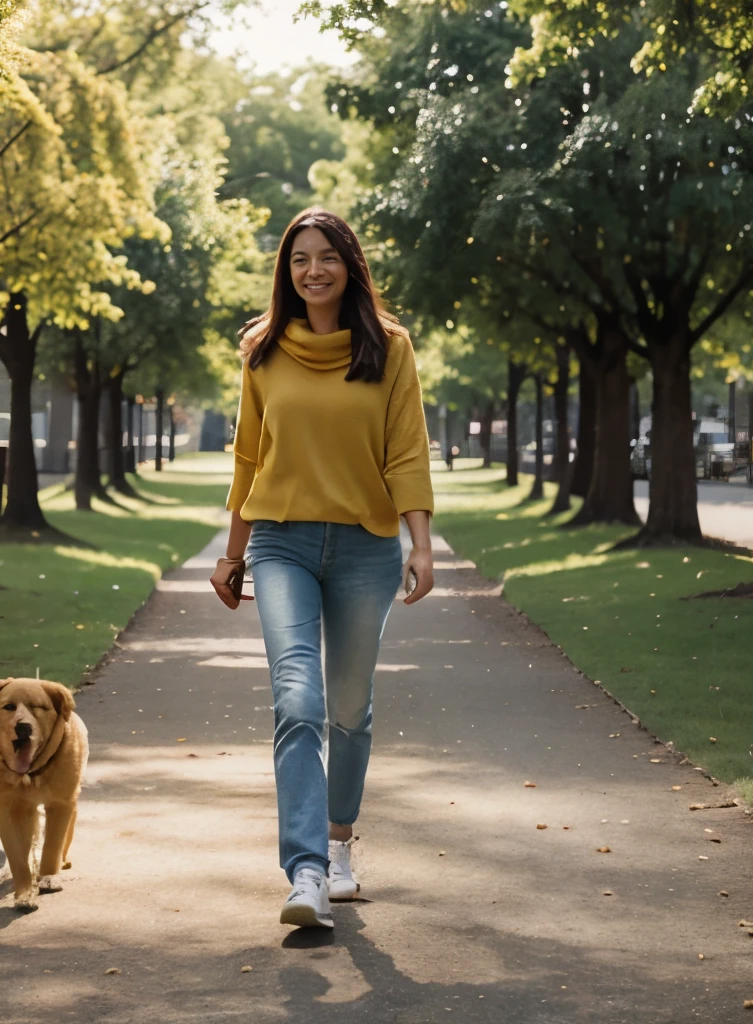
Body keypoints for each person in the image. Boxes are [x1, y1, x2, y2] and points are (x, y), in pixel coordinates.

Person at [210, 207, 435, 930]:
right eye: (300, 258)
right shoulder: (262, 349)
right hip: (281, 543)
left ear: (349, 265)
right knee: (296, 699)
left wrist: (420, 544)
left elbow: (406, 450)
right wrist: (233, 552)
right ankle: (305, 872)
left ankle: (340, 848)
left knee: (348, 709)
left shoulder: (388, 347)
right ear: (287, 269)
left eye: (327, 257)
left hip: (367, 547)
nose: (313, 270)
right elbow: (248, 456)